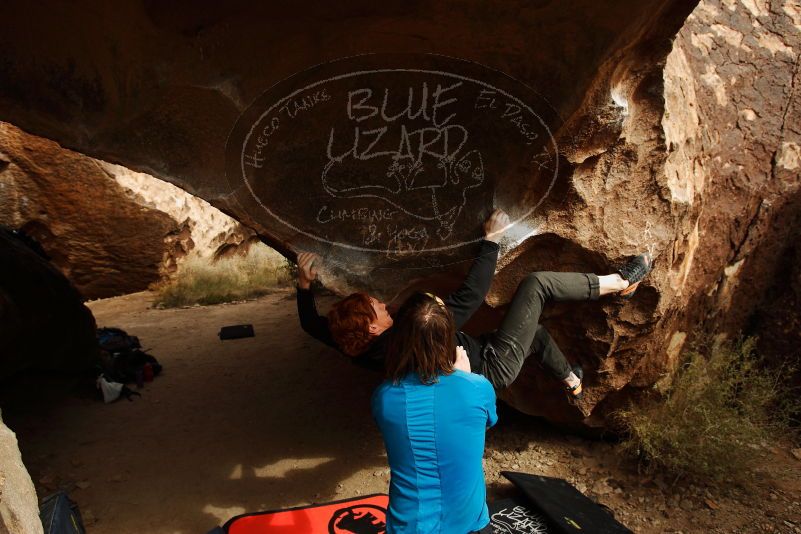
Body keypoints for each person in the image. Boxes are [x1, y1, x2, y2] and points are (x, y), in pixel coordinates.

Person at [296, 209, 651, 399]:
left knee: (535, 335)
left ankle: (573, 381)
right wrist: (492, 241)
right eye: (374, 305)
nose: (379, 302)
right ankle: (622, 283)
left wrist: (304, 285)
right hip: (489, 368)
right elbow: (470, 298)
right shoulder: (413, 331)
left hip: (484, 356)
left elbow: (313, 326)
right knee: (536, 284)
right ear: (372, 326)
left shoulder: (356, 345)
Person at [372, 292, 497, 533]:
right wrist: (466, 377)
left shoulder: (385, 397)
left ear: (399, 339)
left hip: (410, 526)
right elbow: (483, 425)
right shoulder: (478, 388)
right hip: (470, 524)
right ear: (449, 336)